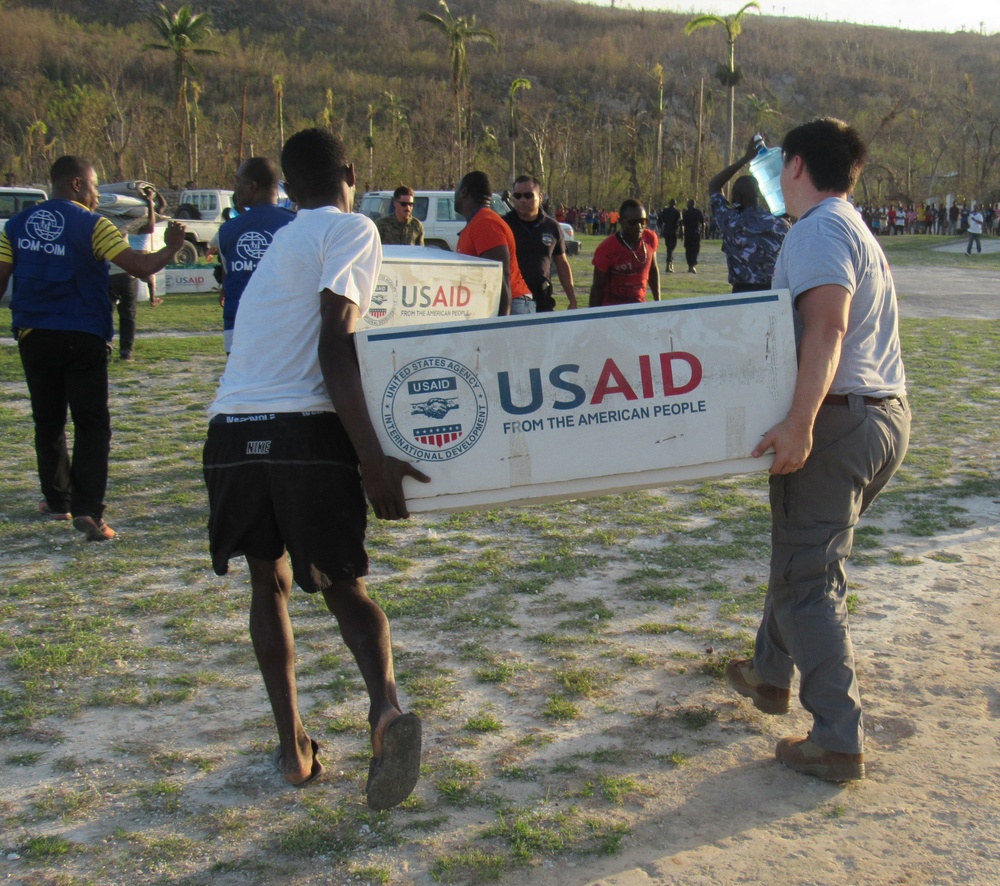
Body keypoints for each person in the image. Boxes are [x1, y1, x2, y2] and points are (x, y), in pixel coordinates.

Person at [202, 128, 428, 809]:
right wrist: (372, 462)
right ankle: (385, 711)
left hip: (230, 434)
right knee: (344, 590)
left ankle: (293, 749)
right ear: (350, 173)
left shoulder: (280, 242)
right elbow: (336, 345)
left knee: (266, 587)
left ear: (288, 188)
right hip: (301, 431)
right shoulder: (354, 229)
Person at [725, 118, 910, 783]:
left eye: (775, 165)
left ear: (795, 166)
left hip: (837, 419)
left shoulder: (818, 231)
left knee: (809, 575)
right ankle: (770, 674)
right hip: (876, 414)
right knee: (800, 548)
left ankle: (838, 738)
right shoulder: (847, 223)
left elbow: (827, 326)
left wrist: (800, 423)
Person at [0, 155, 185, 540]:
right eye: (96, 185)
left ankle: (56, 502)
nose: (99, 194)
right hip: (83, 334)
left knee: (47, 421)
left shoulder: (15, 226)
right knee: (91, 424)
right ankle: (89, 510)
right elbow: (139, 266)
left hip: (34, 334)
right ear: (76, 184)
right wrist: (172, 248)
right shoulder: (93, 225)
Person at [216, 157, 295, 353]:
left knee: (239, 383)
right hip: (285, 328)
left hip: (238, 327)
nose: (235, 187)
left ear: (252, 186)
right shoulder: (295, 224)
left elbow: (228, 281)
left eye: (238, 181)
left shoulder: (228, 230)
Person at [708, 138, 791, 293]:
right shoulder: (780, 225)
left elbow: (714, 186)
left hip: (741, 294)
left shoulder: (729, 221)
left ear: (737, 197)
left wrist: (745, 159)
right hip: (774, 294)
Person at [454, 170, 531, 315]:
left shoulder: (485, 223)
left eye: (456, 189)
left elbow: (500, 278)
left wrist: (499, 325)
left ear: (464, 192)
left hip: (510, 306)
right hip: (496, 304)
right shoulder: (478, 221)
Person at [503, 175, 578, 312]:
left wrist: (572, 299)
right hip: (512, 301)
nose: (522, 200)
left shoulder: (552, 227)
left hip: (543, 300)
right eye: (517, 196)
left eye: (528, 195)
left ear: (540, 197)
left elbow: (562, 263)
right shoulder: (504, 225)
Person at [107, 187, 162, 360]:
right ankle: (126, 352)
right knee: (128, 314)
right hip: (126, 273)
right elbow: (149, 227)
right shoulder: (123, 224)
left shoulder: (98, 223)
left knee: (105, 313)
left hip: (107, 275)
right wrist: (149, 202)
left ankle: (106, 345)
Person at [589, 198, 659, 306]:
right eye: (632, 223)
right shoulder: (606, 249)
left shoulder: (650, 238)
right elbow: (597, 287)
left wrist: (658, 302)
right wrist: (593, 318)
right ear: (621, 222)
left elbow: (653, 270)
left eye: (643, 221)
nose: (639, 227)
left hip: (639, 307)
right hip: (612, 310)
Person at [657, 199, 681, 272]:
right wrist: (682, 233)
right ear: (675, 204)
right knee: (671, 248)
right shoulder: (677, 212)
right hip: (673, 231)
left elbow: (659, 218)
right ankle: (669, 264)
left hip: (666, 230)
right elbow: (680, 222)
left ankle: (670, 262)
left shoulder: (664, 211)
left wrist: (660, 226)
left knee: (669, 247)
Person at [681, 198, 704, 273]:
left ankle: (690, 265)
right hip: (696, 233)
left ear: (689, 204)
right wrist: (703, 232)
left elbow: (683, 224)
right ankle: (693, 265)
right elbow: (702, 223)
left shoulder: (686, 213)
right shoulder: (698, 212)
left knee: (688, 250)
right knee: (695, 249)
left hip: (688, 233)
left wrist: (682, 234)